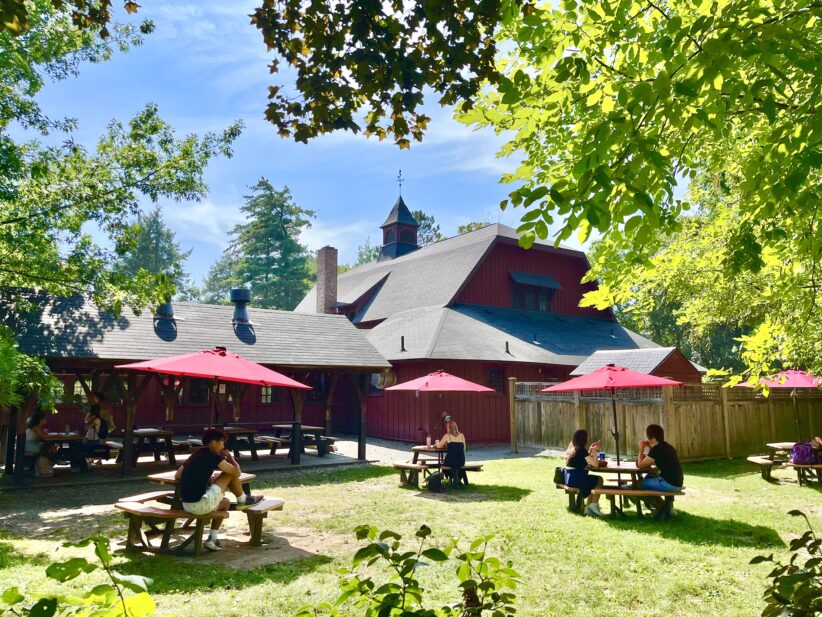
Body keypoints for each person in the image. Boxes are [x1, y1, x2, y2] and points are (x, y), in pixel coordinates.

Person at [175, 429, 264, 551]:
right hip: (200, 504)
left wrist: (203, 478)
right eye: (222, 443)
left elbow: (178, 476)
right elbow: (236, 472)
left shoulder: (196, 454)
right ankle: (243, 499)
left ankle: (212, 539)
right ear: (213, 443)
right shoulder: (212, 455)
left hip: (187, 504)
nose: (223, 447)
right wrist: (229, 457)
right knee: (229, 474)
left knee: (225, 503)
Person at [637, 424, 683, 516]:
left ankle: (663, 509)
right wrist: (650, 447)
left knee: (638, 485)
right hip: (677, 484)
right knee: (649, 478)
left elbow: (640, 465)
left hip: (668, 484)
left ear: (652, 437)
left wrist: (641, 448)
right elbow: (656, 460)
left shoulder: (657, 449)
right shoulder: (667, 446)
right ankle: (667, 508)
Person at [563, 429, 604, 517]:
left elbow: (584, 458)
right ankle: (593, 505)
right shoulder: (581, 450)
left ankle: (589, 507)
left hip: (570, 478)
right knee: (599, 479)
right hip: (575, 478)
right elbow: (595, 464)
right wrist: (594, 452)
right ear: (584, 439)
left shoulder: (575, 449)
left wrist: (590, 450)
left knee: (592, 480)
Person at [435, 420, 467, 486]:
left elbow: (438, 446)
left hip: (451, 459)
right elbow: (464, 449)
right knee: (455, 465)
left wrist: (436, 442)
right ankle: (457, 481)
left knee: (445, 466)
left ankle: (455, 482)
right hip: (461, 460)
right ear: (456, 427)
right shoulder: (462, 435)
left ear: (448, 428)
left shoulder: (447, 436)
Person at [25, 411, 54, 477]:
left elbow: (39, 437)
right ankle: (44, 465)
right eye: (44, 419)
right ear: (41, 419)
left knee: (46, 446)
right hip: (29, 445)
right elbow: (42, 437)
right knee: (45, 447)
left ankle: (40, 466)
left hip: (29, 444)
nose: (45, 420)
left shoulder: (35, 426)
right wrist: (45, 433)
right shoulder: (36, 427)